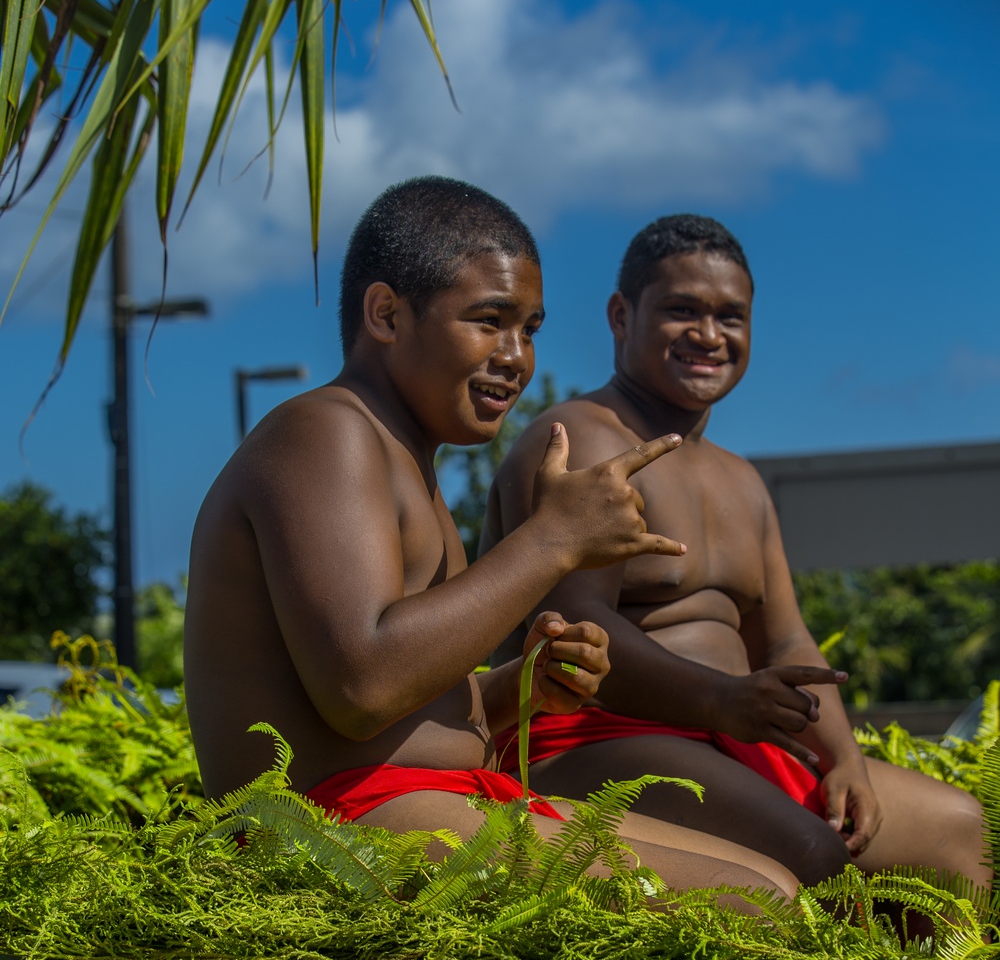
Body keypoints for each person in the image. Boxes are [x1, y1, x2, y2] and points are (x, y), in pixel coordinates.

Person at [184, 179, 797, 903]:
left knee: (775, 880)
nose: (516, 357)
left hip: (432, 802)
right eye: (489, 320)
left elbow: (402, 696)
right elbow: (362, 686)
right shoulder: (327, 432)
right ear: (386, 313)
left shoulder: (405, 460)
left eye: (530, 329)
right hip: (339, 822)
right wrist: (554, 540)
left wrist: (523, 687)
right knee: (760, 901)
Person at [480, 213, 987, 889]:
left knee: (957, 827)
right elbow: (579, 640)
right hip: (592, 739)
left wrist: (842, 760)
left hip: (732, 737)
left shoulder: (741, 480)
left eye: (731, 316)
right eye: (682, 310)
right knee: (810, 852)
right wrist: (722, 701)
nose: (709, 335)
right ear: (621, 315)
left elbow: (786, 644)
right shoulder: (583, 440)